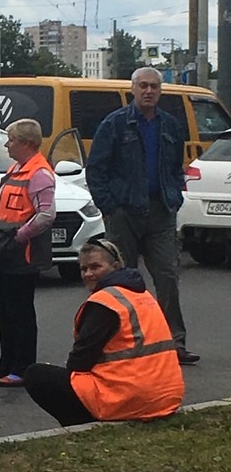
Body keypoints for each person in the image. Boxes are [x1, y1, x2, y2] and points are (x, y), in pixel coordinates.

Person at [86, 66, 199, 365]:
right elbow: (96, 169)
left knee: (167, 276)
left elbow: (177, 167)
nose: (149, 91)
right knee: (121, 279)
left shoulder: (170, 125)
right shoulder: (115, 124)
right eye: (143, 86)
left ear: (160, 91)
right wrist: (109, 206)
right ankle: (120, 343)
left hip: (161, 210)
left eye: (154, 87)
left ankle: (174, 343)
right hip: (123, 212)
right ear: (133, 90)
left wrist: (174, 195)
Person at [23, 238, 184, 426]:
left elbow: (80, 361)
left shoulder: (105, 303)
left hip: (132, 399)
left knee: (36, 375)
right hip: (166, 396)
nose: (88, 274)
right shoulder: (142, 294)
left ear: (115, 267)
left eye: (95, 267)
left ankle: (81, 425)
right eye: (83, 269)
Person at [0, 118, 56, 388]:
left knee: (20, 312)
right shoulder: (17, 168)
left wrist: (20, 236)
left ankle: (23, 367)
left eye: (11, 140)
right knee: (0, 308)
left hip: (22, 253)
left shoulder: (39, 173)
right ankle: (6, 363)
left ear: (25, 143)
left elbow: (46, 214)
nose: (7, 144)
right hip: (4, 250)